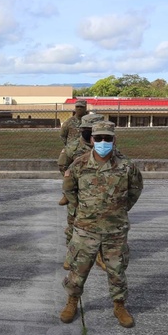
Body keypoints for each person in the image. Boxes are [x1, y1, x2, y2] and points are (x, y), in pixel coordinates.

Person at [61, 121, 143, 326]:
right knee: (78, 270)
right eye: (98, 138)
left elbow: (135, 190)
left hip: (115, 230)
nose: (103, 142)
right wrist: (80, 210)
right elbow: (69, 190)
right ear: (91, 140)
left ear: (114, 140)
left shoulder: (127, 166)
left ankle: (119, 305)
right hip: (86, 229)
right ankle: (72, 301)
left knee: (116, 270)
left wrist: (120, 210)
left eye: (107, 138)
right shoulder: (79, 165)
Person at [60, 112, 99, 267]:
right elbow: (62, 165)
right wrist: (72, 182)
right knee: (73, 226)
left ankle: (100, 257)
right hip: (78, 194)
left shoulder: (107, 147)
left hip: (100, 195)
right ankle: (71, 256)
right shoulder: (73, 147)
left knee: (100, 228)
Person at [58, 100, 89, 205]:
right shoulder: (69, 121)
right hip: (73, 149)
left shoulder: (90, 121)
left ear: (85, 108)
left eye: (81, 107)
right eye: (77, 107)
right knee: (64, 165)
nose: (79, 109)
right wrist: (68, 146)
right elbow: (62, 135)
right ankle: (67, 193)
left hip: (87, 149)